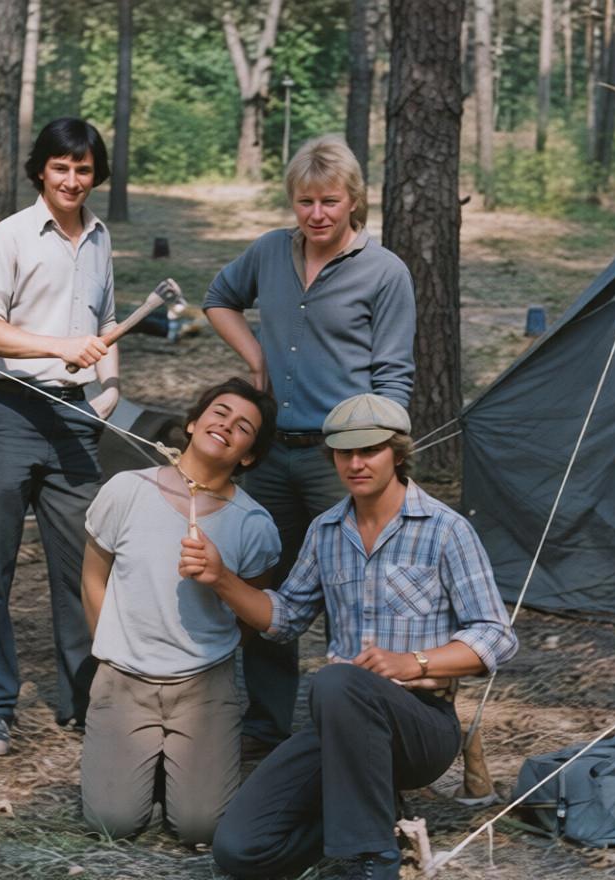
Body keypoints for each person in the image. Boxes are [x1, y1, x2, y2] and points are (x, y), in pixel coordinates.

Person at [184, 393, 519, 879]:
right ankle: (375, 814)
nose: (356, 464)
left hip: (422, 725)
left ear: (397, 454)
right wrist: (221, 578)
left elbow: (497, 635)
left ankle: (372, 859)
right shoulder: (325, 531)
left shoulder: (446, 530)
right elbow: (285, 618)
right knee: (240, 849)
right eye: (345, 453)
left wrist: (414, 662)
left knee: (336, 681)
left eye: (370, 450)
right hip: (340, 726)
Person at [203, 134, 417, 750]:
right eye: (305, 202)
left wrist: (381, 457)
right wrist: (256, 358)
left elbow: (394, 377)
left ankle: (361, 720)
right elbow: (219, 298)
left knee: (358, 588)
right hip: (272, 453)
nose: (317, 214)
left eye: (329, 201)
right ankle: (267, 725)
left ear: (354, 201)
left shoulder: (385, 272)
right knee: (266, 585)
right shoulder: (271, 252)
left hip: (342, 457)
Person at [0, 118, 119, 756]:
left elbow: (105, 322)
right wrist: (58, 347)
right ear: (40, 171)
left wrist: (109, 389)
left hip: (75, 416)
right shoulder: (9, 236)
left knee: (84, 567)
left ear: (95, 175)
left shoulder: (101, 239)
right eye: (61, 167)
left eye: (83, 169)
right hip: (6, 412)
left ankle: (87, 700)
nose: (72, 180)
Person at [79, 378, 281, 845]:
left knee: (200, 827)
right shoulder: (127, 489)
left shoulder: (253, 525)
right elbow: (93, 577)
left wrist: (217, 590)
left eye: (243, 427)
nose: (226, 425)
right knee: (112, 823)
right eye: (219, 413)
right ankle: (147, 762)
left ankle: (176, 765)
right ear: (192, 423)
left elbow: (252, 614)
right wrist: (110, 653)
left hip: (202, 686)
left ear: (249, 456)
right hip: (124, 678)